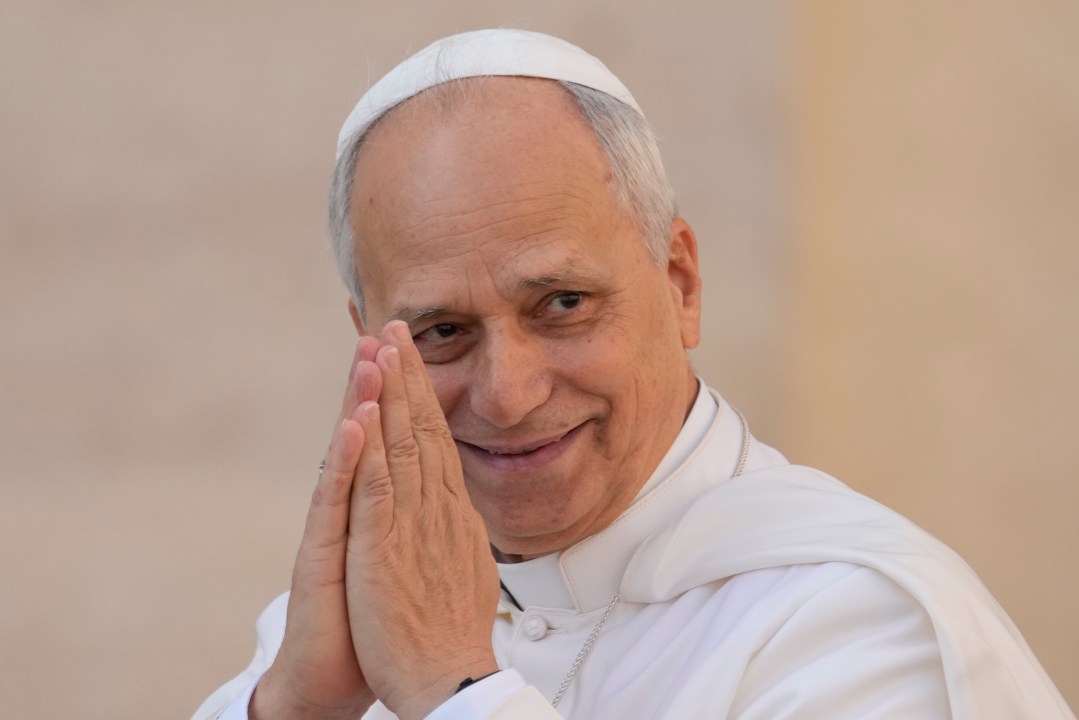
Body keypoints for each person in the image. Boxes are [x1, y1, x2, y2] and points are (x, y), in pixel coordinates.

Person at [193, 29, 1074, 720]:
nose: (507, 393)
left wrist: (458, 692)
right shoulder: (340, 640)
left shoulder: (858, 626)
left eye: (562, 304)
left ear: (678, 283)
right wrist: (297, 708)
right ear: (370, 350)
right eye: (443, 331)